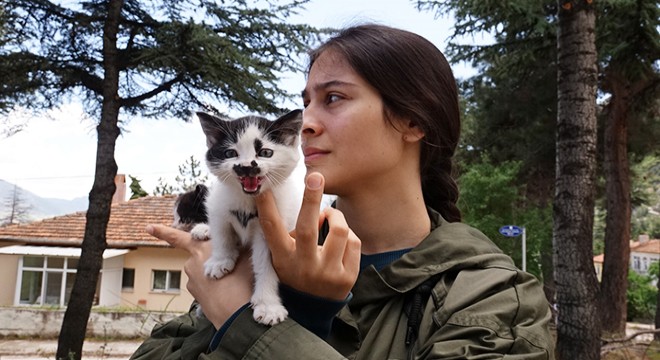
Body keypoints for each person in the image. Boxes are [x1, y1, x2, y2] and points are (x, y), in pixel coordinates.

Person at [131, 24, 555, 359]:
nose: (304, 124)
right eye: (306, 102)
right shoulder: (256, 250)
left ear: (412, 122)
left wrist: (242, 321)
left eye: (333, 98)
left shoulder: (493, 298)